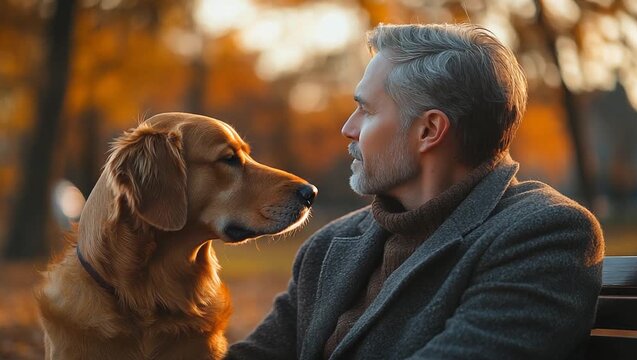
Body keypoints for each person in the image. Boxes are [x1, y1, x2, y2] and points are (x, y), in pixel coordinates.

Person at [225, 23, 604, 360]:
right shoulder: (328, 246)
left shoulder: (546, 235)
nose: (348, 128)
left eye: (367, 111)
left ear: (429, 131)